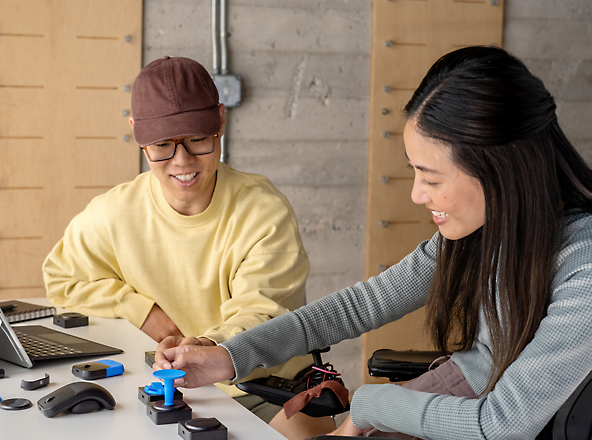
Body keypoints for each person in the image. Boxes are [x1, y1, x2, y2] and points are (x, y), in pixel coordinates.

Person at [153, 46, 592, 440]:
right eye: (414, 172)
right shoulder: (484, 231)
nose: (418, 194)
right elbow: (359, 306)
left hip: (493, 417)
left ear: (502, 171)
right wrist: (230, 357)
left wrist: (370, 405)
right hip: (467, 389)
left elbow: (502, 424)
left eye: (432, 178)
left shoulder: (584, 268)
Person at [42, 55, 317, 424]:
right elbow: (62, 278)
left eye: (197, 139)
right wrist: (143, 314)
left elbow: (263, 315)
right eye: (161, 145)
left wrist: (205, 346)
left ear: (220, 119)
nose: (182, 161)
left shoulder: (264, 211)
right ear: (136, 132)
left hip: (267, 388)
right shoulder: (113, 212)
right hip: (166, 390)